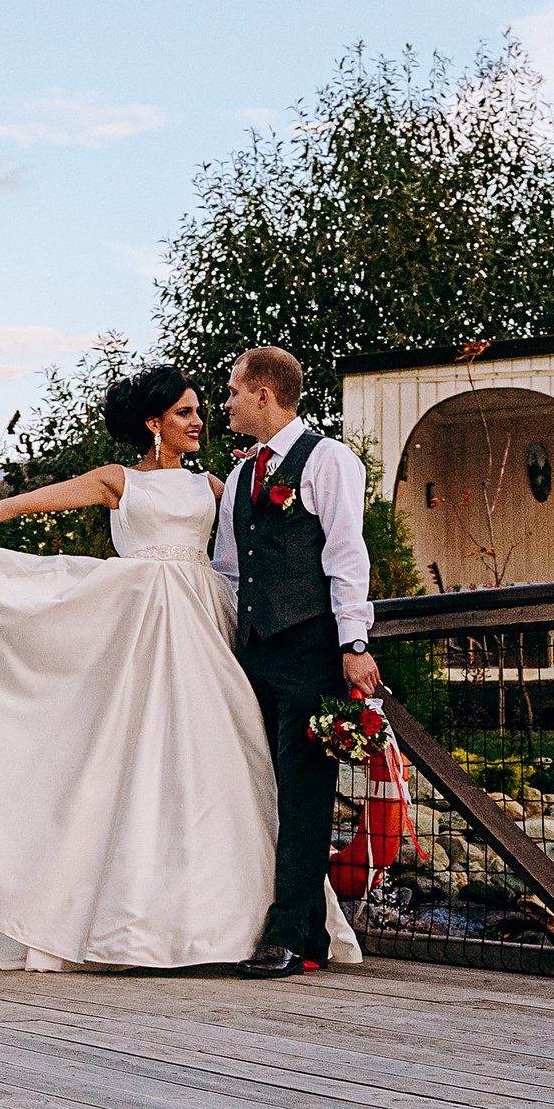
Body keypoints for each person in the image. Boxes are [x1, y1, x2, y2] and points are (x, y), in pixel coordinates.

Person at [0, 365, 359, 973]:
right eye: (184, 412)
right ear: (153, 423)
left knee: (227, 767)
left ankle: (247, 921)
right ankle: (135, 918)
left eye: (201, 410)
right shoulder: (117, 480)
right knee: (130, 767)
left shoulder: (218, 483)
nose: (199, 421)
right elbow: (23, 503)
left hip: (207, 629)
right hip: (140, 630)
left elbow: (245, 560)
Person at [217, 346, 382, 978]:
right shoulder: (240, 477)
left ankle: (285, 937)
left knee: (305, 793)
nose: (226, 404)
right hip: (253, 652)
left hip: (312, 648)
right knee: (262, 788)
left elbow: (346, 555)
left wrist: (354, 644)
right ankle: (308, 933)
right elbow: (228, 571)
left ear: (263, 394)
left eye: (233, 391)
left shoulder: (328, 459)